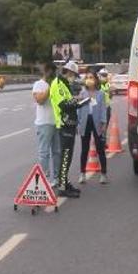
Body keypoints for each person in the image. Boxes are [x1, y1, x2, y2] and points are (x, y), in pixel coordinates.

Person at [50, 61, 85, 198]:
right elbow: (63, 105)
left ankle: (65, 182)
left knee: (68, 157)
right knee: (65, 156)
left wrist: (78, 102)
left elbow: (70, 104)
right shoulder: (58, 84)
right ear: (68, 72)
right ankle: (63, 187)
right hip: (64, 124)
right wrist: (78, 100)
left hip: (70, 124)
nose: (74, 77)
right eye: (73, 74)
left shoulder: (65, 84)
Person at [32, 62, 61, 187]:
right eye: (53, 72)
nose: (54, 75)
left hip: (57, 122)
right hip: (44, 123)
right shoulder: (39, 84)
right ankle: (44, 179)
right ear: (48, 72)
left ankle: (56, 178)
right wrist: (50, 88)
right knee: (44, 152)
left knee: (57, 151)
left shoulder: (57, 84)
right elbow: (39, 100)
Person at [77, 71, 109, 185]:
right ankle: (82, 174)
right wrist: (78, 123)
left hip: (97, 122)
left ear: (96, 80)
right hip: (85, 122)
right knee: (84, 150)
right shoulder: (83, 93)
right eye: (87, 77)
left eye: (91, 77)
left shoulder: (100, 94)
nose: (89, 79)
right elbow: (78, 109)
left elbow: (103, 109)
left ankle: (104, 174)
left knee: (100, 149)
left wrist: (104, 123)